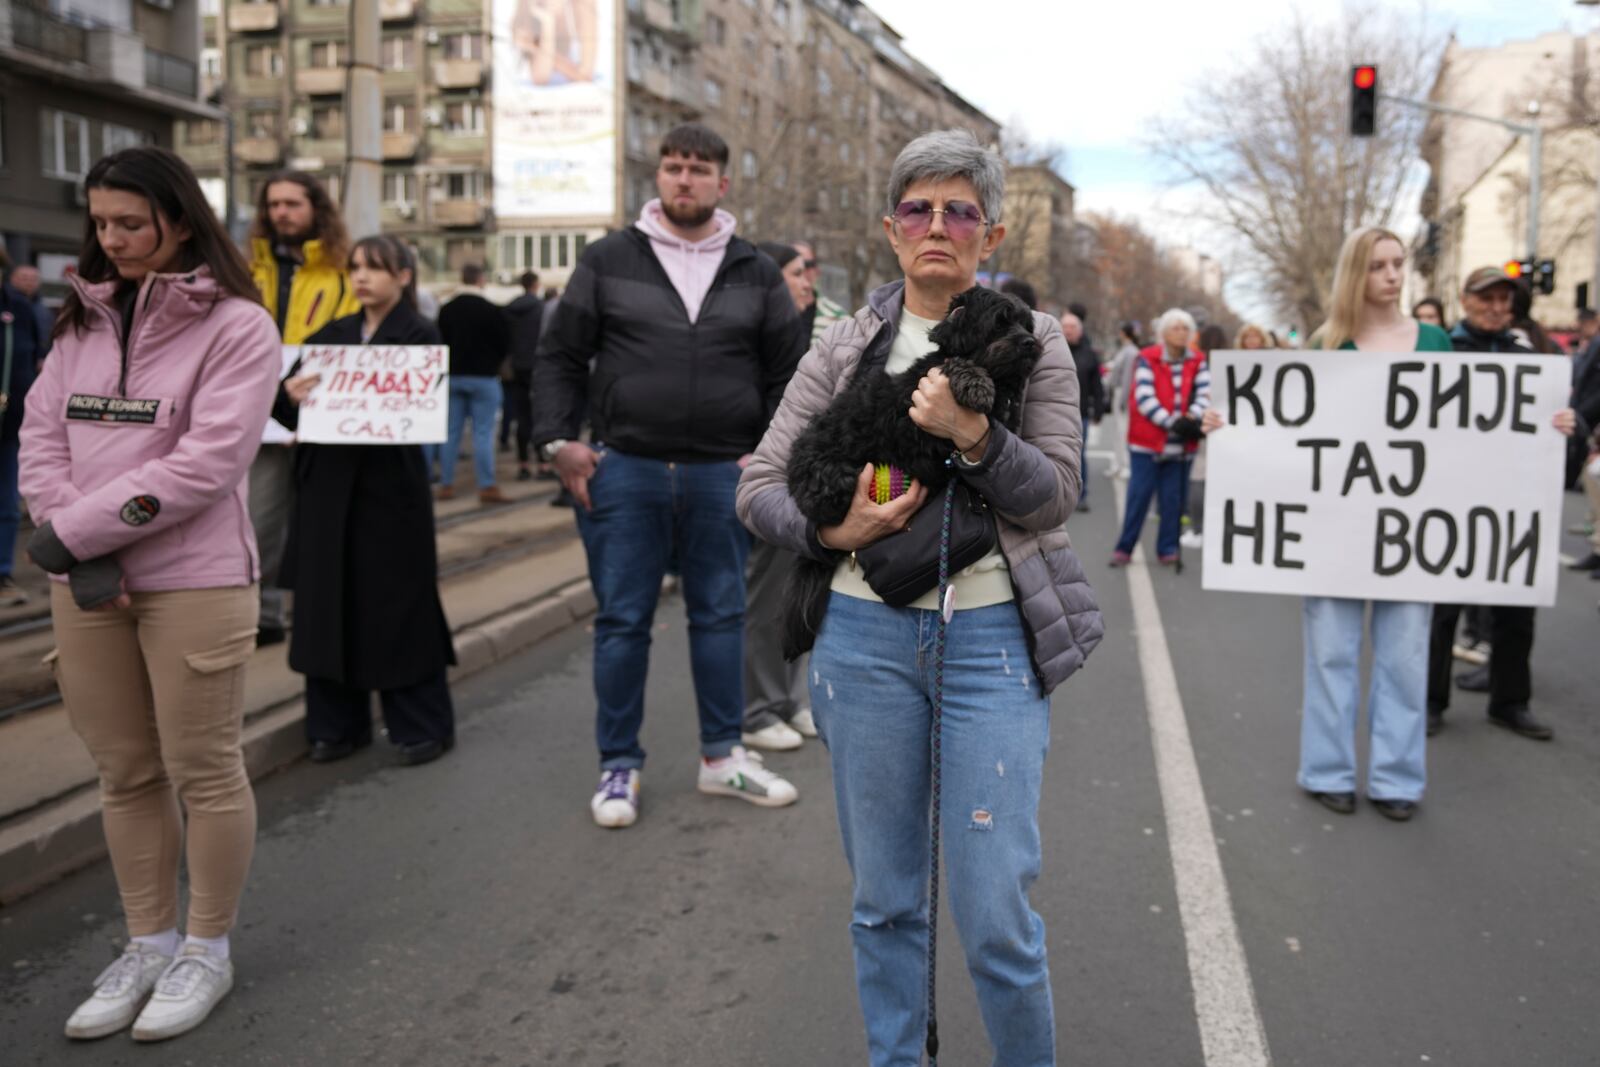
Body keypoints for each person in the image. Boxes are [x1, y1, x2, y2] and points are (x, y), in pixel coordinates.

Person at [737, 128, 1103, 1067]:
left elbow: (1057, 494)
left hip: (992, 646)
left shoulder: (1034, 349)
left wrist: (974, 433)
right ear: (891, 230)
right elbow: (758, 483)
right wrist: (832, 532)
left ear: (992, 234)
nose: (936, 225)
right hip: (862, 641)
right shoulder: (843, 344)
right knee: (886, 900)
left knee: (995, 916)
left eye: (959, 211)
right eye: (917, 209)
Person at [19, 146, 281, 1042]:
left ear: (179, 218)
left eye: (130, 222)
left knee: (202, 768)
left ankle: (206, 946)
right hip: (85, 581)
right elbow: (39, 436)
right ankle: (148, 939)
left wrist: (79, 532)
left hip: (192, 579)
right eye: (100, 223)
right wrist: (69, 536)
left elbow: (209, 461)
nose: (112, 239)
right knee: (125, 769)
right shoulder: (79, 323)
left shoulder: (239, 326)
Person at [533, 122, 807, 828]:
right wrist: (559, 440)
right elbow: (560, 355)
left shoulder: (754, 271)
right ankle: (618, 765)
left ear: (723, 182)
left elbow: (787, 375)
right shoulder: (608, 259)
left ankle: (722, 757)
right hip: (627, 468)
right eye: (674, 167)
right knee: (623, 620)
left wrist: (767, 454)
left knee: (721, 615)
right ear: (658, 176)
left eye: (699, 169)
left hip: (724, 471)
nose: (684, 179)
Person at [272, 235, 458, 767]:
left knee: (399, 607)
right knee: (325, 605)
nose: (361, 277)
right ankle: (335, 725)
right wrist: (291, 397)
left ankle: (420, 725)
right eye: (355, 267)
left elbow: (428, 411)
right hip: (326, 490)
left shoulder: (420, 337)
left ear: (403, 276)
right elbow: (284, 411)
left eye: (374, 268)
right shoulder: (329, 336)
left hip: (388, 492)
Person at [1296, 227, 1450, 820]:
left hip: (1413, 531)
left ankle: (1396, 779)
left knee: (1406, 658)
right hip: (1336, 529)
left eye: (1398, 264)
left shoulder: (1436, 340)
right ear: (1355, 274)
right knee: (1331, 653)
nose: (1392, 275)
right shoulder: (1325, 346)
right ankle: (1328, 770)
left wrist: (1546, 423)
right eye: (1378, 265)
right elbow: (1287, 429)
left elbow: (1471, 428)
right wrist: (1229, 427)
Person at [1428, 265, 1577, 740]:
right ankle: (1431, 700)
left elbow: (1567, 430)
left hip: (1515, 499)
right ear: (1466, 300)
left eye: (1503, 300)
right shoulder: (1441, 354)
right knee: (1442, 606)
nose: (1495, 308)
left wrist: (1570, 427)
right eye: (1486, 299)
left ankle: (1510, 701)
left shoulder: (1534, 358)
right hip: (1450, 497)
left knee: (1517, 605)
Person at [247, 171, 359, 646]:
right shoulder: (246, 270)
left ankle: (327, 613)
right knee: (259, 517)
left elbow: (356, 339)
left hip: (326, 412)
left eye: (292, 203)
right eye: (274, 205)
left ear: (316, 208)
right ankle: (264, 616)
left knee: (326, 519)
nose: (282, 213)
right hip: (256, 412)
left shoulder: (343, 271)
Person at [739, 242, 816, 751]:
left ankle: (793, 699)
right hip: (765, 479)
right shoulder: (755, 333)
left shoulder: (808, 329)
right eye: (797, 272)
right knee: (764, 596)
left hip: (805, 478)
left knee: (799, 593)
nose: (808, 280)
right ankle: (758, 708)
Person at [1109, 308, 1210, 567]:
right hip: (1147, 443)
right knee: (1138, 498)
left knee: (1173, 501)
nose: (1181, 333)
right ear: (1163, 333)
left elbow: (1204, 394)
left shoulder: (1197, 360)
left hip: (1181, 446)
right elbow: (1143, 397)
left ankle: (1168, 549)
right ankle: (1125, 547)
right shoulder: (1147, 358)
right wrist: (1172, 422)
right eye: (1175, 328)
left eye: (1185, 328)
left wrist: (1192, 418)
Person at [437, 264, 512, 504]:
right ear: (481, 279)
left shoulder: (447, 309)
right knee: (483, 433)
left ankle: (446, 484)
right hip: (484, 377)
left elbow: (439, 341)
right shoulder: (490, 309)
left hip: (453, 376)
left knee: (450, 433)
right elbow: (504, 342)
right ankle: (487, 486)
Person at [1, 250, 45, 608]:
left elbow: (35, 360)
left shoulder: (19, 310)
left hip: (10, 424)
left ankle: (2, 574)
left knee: (8, 505)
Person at [1060, 310, 1103, 513]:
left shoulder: (1089, 355)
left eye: (1072, 327)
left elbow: (1097, 385)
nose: (1068, 331)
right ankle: (1057, 495)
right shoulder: (1051, 351)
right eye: (1065, 327)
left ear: (1080, 331)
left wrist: (1099, 410)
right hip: (1054, 412)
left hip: (1081, 413)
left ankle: (1080, 495)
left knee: (1078, 455)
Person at [503, 270, 544, 482]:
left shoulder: (509, 309)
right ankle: (544, 464)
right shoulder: (540, 309)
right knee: (540, 416)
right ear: (535, 284)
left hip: (516, 368)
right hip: (537, 367)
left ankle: (523, 465)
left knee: (522, 418)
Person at [1105, 319, 1142, 479]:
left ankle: (1126, 465)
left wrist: (1124, 399)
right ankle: (1117, 464)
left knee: (1124, 431)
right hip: (1118, 392)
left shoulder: (1131, 351)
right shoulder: (1125, 350)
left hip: (1123, 392)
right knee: (1116, 431)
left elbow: (1128, 376)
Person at [793, 240, 849, 342]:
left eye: (807, 264)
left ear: (817, 270)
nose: (802, 270)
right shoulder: (770, 315)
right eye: (794, 267)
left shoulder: (838, 318)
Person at [8, 263, 56, 352]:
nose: (29, 282)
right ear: (12, 279)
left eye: (34, 279)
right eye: (24, 278)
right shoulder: (5, 305)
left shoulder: (44, 310)